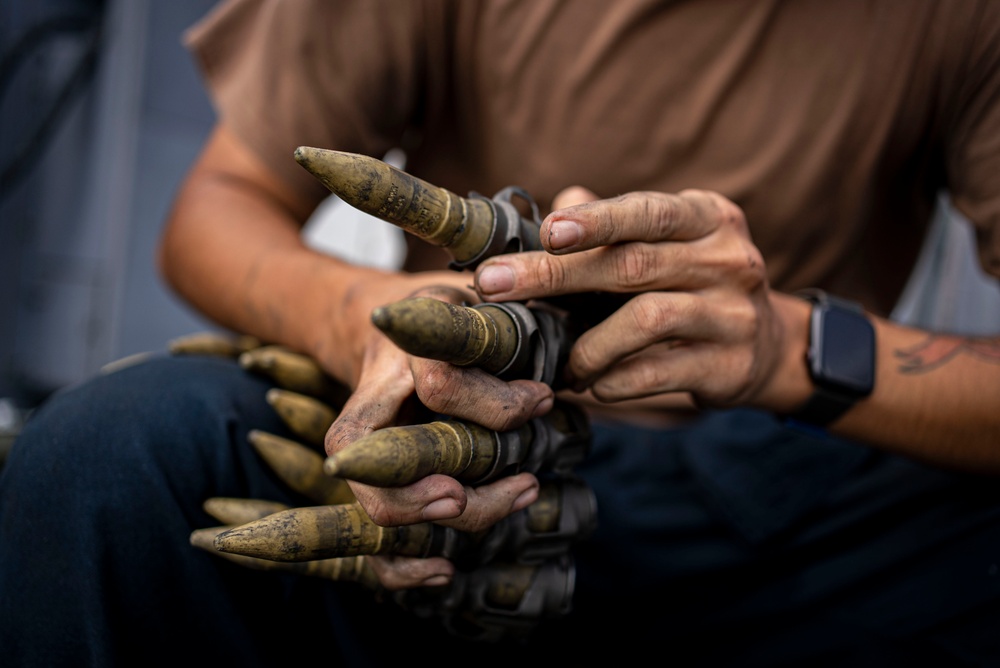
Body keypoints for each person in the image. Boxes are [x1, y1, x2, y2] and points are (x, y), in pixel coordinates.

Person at [2, 0, 999, 665]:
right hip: (433, 464)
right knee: (108, 460)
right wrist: (361, 321)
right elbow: (215, 207)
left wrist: (788, 347)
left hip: (779, 503)